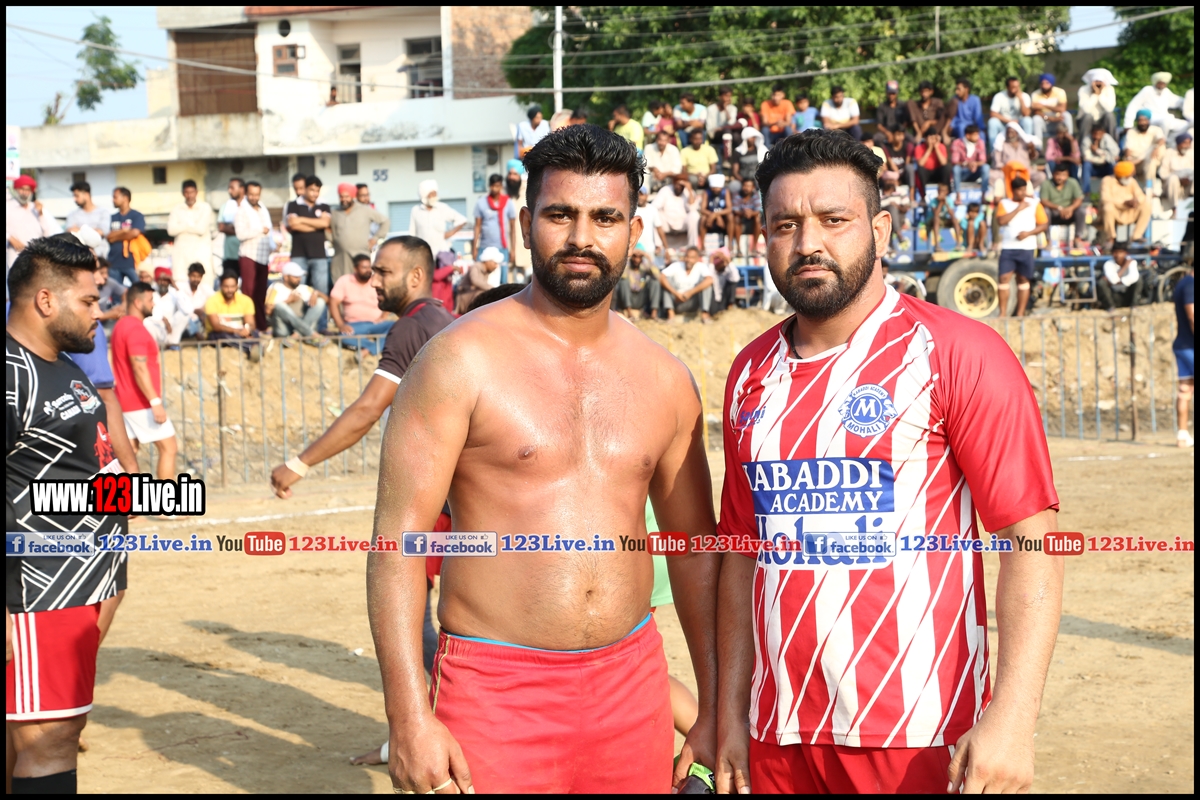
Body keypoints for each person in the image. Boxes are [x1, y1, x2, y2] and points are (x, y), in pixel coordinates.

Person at [368, 124, 719, 794]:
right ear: (526, 224)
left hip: (633, 686)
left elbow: (696, 552)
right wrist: (407, 715)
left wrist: (713, 705)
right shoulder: (458, 361)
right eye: (561, 215)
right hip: (496, 691)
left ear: (634, 231)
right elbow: (399, 545)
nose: (582, 237)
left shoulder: (666, 379)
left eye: (605, 218)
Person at [712, 128, 1063, 796]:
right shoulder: (750, 371)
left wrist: (1014, 718)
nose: (808, 243)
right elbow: (740, 555)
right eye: (785, 225)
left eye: (833, 220)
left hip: (917, 733)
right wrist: (731, 711)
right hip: (777, 733)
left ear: (880, 228)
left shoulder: (958, 352)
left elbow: (1031, 540)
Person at [6, 237, 128, 795]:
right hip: (37, 592)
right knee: (48, 743)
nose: (99, 311)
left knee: (37, 739)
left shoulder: (64, 364)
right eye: (88, 300)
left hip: (79, 587)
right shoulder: (13, 376)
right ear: (46, 301)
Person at [111, 281, 178, 480]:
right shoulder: (135, 329)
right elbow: (139, 368)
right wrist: (155, 402)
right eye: (150, 300)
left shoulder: (120, 326)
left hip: (123, 401)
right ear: (138, 303)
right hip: (140, 402)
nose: (153, 304)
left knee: (129, 453)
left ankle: (125, 499)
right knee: (169, 448)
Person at [995, 176, 1049, 317]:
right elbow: (1001, 221)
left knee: (1024, 279)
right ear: (1013, 190)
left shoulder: (1034, 204)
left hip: (1027, 247)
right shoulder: (1004, 203)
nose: (1023, 193)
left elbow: (1044, 224)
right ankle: (1002, 314)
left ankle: (1020, 314)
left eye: (1024, 189)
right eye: (1020, 190)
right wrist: (1018, 209)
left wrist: (1028, 233)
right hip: (1008, 247)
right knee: (1004, 278)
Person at [331, 253, 393, 354]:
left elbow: (389, 298)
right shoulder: (344, 281)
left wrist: (384, 316)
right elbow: (333, 303)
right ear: (355, 268)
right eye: (364, 267)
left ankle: (368, 349)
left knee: (396, 327)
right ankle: (376, 347)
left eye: (370, 267)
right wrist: (340, 325)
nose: (368, 270)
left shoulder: (376, 280)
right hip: (354, 325)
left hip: (376, 324)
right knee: (344, 336)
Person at [233, 180, 273, 332]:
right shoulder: (241, 210)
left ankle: (261, 326)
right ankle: (249, 326)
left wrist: (273, 245)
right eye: (251, 194)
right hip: (248, 255)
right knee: (249, 292)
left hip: (263, 257)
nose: (254, 197)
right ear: (246, 193)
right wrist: (260, 230)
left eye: (257, 194)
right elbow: (240, 234)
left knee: (261, 293)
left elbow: (269, 232)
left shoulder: (263, 208)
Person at [285, 175, 333, 301]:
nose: (315, 194)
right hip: (299, 254)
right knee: (298, 290)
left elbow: (325, 223)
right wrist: (317, 225)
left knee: (321, 292)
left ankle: (321, 314)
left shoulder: (324, 205)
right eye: (312, 190)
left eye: (317, 190)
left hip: (319, 255)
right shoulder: (293, 205)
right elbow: (293, 224)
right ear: (305, 189)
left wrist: (301, 220)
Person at [331, 183, 389, 283]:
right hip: (341, 259)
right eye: (341, 196)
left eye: (347, 196)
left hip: (361, 256)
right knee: (341, 285)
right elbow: (329, 230)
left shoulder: (365, 210)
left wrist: (375, 239)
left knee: (362, 284)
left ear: (353, 196)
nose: (344, 199)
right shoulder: (335, 213)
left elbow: (385, 221)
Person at [166, 179, 214, 288]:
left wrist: (182, 226)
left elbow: (201, 229)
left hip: (200, 253)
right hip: (181, 256)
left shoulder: (205, 207)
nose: (189, 195)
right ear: (183, 193)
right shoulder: (177, 209)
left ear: (196, 192)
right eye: (187, 192)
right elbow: (171, 230)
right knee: (181, 286)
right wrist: (191, 225)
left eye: (192, 192)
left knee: (204, 285)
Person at [6, 175, 58, 274]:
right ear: (16, 189)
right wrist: (10, 238)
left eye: (28, 190)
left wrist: (41, 214)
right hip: (14, 255)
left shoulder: (36, 208)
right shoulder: (8, 206)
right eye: (22, 189)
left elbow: (49, 232)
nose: (25, 193)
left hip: (35, 256)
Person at [267, 260, 328, 341]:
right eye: (296, 277)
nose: (299, 279)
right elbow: (268, 311)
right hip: (284, 329)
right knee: (279, 305)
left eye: (300, 276)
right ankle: (309, 334)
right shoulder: (275, 287)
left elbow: (328, 301)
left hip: (303, 323)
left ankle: (297, 334)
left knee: (320, 302)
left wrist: (317, 293)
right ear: (286, 277)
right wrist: (288, 301)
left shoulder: (304, 288)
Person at [204, 272, 260, 357]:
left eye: (232, 286)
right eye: (226, 286)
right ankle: (251, 348)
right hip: (220, 333)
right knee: (224, 337)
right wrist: (237, 331)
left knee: (255, 333)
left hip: (240, 331)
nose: (229, 290)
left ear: (237, 286)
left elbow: (251, 323)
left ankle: (253, 347)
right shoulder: (212, 300)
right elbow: (216, 326)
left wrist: (247, 329)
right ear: (220, 285)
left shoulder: (246, 300)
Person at [409, 179, 467, 259]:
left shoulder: (442, 208)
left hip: (441, 255)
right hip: (423, 255)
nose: (434, 197)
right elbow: (412, 234)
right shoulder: (416, 210)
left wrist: (450, 233)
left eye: (435, 194)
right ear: (424, 195)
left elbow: (462, 220)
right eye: (431, 194)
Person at [472, 173, 518, 274]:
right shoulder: (481, 202)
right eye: (492, 186)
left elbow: (513, 229)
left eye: (497, 186)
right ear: (489, 186)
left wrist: (513, 250)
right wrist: (474, 248)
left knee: (502, 279)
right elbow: (477, 227)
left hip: (502, 248)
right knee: (482, 277)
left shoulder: (508, 202)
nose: (494, 189)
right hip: (484, 247)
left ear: (501, 186)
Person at [1100, 162, 1152, 248]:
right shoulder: (1107, 180)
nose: (1130, 178)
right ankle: (1110, 238)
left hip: (1130, 213)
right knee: (1108, 207)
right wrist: (1124, 203)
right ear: (1121, 176)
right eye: (1128, 176)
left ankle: (1136, 236)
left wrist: (1136, 201)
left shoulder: (1132, 182)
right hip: (1115, 213)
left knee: (1146, 205)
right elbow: (1105, 199)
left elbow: (1141, 196)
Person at [1124, 72, 1187, 139]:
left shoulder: (1166, 92)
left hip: (1166, 118)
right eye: (1160, 83)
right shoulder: (1147, 90)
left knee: (1186, 125)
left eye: (1164, 83)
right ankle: (1162, 141)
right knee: (1165, 121)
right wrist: (1128, 124)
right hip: (1151, 119)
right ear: (1156, 82)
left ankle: (1169, 141)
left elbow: (1179, 102)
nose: (1162, 85)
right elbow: (1133, 106)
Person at [660, 245, 714, 322]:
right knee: (666, 280)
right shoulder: (677, 265)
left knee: (706, 283)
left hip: (693, 302)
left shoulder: (701, 266)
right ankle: (670, 315)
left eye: (692, 257)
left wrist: (690, 292)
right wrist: (676, 294)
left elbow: (710, 280)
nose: (688, 260)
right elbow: (661, 277)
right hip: (676, 301)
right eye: (687, 256)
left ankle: (704, 314)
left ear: (697, 259)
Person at [105, 187, 146, 288]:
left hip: (132, 262)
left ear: (125, 198)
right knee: (116, 293)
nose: (113, 200)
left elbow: (135, 233)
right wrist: (123, 231)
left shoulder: (136, 215)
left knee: (138, 290)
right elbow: (108, 237)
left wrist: (115, 236)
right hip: (114, 262)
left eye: (115, 197)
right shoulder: (112, 217)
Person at [1040, 163, 1088, 248]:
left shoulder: (1073, 182)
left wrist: (1070, 208)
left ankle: (1077, 239)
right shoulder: (1046, 184)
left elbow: (1079, 199)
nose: (1060, 177)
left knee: (1081, 210)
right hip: (1054, 212)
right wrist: (1059, 208)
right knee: (1045, 211)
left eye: (1063, 175)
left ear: (1067, 175)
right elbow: (1044, 201)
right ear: (1053, 174)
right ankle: (1048, 241)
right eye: (1058, 174)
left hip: (1070, 212)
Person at [144, 266, 192, 347]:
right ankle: (154, 346)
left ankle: (173, 344)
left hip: (171, 329)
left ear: (169, 281)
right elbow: (148, 312)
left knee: (184, 315)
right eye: (160, 279)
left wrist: (175, 285)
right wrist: (163, 320)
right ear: (156, 280)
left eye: (165, 280)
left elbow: (188, 310)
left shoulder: (174, 293)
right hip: (157, 327)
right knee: (146, 322)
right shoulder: (151, 292)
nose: (162, 282)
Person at [1173, 265, 1194, 448]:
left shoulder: (1182, 283)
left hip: (1182, 344)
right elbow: (1192, 316)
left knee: (1185, 390)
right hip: (1190, 346)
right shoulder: (1190, 285)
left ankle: (1182, 435)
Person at [611, 245, 661, 319]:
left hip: (640, 298)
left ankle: (654, 314)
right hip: (628, 297)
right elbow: (623, 276)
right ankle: (629, 313)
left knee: (655, 282)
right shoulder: (627, 264)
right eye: (634, 256)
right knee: (624, 281)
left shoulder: (645, 265)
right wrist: (628, 255)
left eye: (639, 257)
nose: (637, 260)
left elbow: (657, 276)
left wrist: (648, 257)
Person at [1096, 241, 1147, 310]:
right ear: (1112, 253)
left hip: (1128, 294)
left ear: (1125, 253)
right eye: (1115, 252)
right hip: (1114, 296)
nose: (1118, 255)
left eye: (1121, 252)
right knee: (1102, 282)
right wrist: (1124, 267)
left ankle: (1134, 306)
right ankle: (1111, 307)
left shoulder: (1132, 262)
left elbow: (1134, 277)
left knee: (1139, 279)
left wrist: (1116, 282)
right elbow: (1113, 280)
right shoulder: (1108, 264)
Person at [654, 175, 701, 249]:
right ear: (673, 183)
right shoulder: (665, 190)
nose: (679, 187)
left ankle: (692, 246)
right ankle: (658, 246)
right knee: (655, 215)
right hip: (667, 223)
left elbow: (692, 208)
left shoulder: (688, 191)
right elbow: (654, 207)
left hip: (682, 223)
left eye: (681, 185)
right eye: (677, 184)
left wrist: (689, 190)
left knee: (694, 215)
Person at [1123, 109, 1167, 185]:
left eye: (1145, 120)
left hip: (1152, 159)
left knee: (1156, 154)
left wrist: (1156, 147)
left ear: (1149, 121)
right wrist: (1129, 161)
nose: (1143, 123)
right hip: (1135, 163)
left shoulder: (1156, 130)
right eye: (1140, 120)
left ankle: (1149, 187)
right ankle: (1149, 187)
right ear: (1137, 121)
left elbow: (1162, 139)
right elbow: (1128, 148)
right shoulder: (1131, 132)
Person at [454, 246, 502, 314]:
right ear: (488, 261)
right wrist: (493, 289)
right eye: (495, 263)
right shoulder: (475, 267)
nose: (496, 266)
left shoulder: (486, 272)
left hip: (471, 297)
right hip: (464, 297)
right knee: (482, 293)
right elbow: (475, 281)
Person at [988, 75, 1033, 147]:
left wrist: (1021, 99)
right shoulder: (999, 96)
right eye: (1014, 87)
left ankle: (1027, 148)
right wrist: (1009, 121)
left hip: (1019, 126)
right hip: (1004, 125)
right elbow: (993, 113)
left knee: (1028, 120)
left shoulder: (1025, 96)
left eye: (1018, 87)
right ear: (1007, 87)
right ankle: (993, 150)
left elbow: (1026, 114)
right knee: (992, 122)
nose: (1017, 89)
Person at [950, 124, 991, 202]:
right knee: (956, 169)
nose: (977, 137)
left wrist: (975, 164)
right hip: (962, 172)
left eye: (978, 134)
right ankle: (958, 196)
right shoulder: (957, 143)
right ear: (968, 135)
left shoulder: (980, 142)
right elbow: (954, 161)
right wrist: (966, 164)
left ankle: (983, 196)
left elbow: (983, 160)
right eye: (975, 135)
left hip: (975, 172)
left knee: (986, 167)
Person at [1077, 68, 1119, 140]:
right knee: (1088, 116)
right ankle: (1083, 144)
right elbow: (1086, 110)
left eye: (1100, 82)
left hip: (1103, 121)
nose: (1098, 84)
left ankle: (1113, 143)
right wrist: (1095, 94)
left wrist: (1100, 94)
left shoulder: (1109, 89)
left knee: (1110, 116)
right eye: (1096, 81)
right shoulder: (1083, 89)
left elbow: (1109, 109)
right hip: (1086, 120)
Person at [1159, 132, 1194, 215]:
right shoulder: (1169, 153)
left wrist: (1188, 179)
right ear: (1178, 143)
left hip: (1188, 186)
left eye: (1189, 143)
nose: (1187, 145)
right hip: (1172, 187)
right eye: (1184, 143)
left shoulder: (1191, 153)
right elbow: (1163, 173)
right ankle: (1174, 209)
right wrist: (1179, 179)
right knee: (1173, 179)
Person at [217, 177, 246, 275]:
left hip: (247, 254)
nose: (229, 191)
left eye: (232, 188)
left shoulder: (249, 206)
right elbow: (221, 227)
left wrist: (232, 227)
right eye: (229, 188)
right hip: (230, 255)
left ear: (242, 189)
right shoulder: (225, 206)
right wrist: (241, 231)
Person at [1030, 73, 1071, 139]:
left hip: (1058, 120)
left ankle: (1069, 139)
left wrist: (1044, 105)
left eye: (1047, 83)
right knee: (1036, 119)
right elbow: (1036, 111)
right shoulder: (1035, 94)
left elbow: (1062, 109)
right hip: (1044, 120)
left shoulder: (1060, 92)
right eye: (1042, 83)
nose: (1044, 85)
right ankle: (1038, 144)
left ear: (1051, 83)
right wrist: (1050, 118)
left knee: (1067, 115)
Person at [1082, 125, 1120, 195]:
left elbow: (1115, 154)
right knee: (1086, 164)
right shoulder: (1087, 140)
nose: (1097, 136)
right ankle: (1086, 191)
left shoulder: (1107, 138)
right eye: (1095, 134)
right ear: (1091, 133)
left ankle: (1114, 190)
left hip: (1106, 167)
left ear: (1103, 133)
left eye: (1099, 134)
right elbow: (1086, 157)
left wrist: (1097, 150)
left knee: (1114, 164)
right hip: (1093, 168)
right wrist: (1105, 156)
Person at [179, 261, 213, 339]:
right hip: (185, 323)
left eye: (199, 276)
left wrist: (203, 309)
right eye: (193, 276)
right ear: (188, 275)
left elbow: (215, 300)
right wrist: (194, 311)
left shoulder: (205, 288)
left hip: (200, 321)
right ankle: (198, 336)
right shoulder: (181, 287)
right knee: (183, 316)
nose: (196, 279)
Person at [731, 177, 762, 256]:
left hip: (751, 219)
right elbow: (735, 210)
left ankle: (754, 248)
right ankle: (738, 249)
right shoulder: (736, 194)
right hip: (740, 218)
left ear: (753, 187)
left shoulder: (755, 195)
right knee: (736, 218)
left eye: (749, 186)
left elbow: (757, 210)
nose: (746, 188)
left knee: (757, 219)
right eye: (744, 185)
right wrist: (744, 213)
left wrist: (750, 213)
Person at [912, 131, 949, 198]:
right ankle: (923, 195)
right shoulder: (919, 147)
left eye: (934, 138)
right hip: (926, 173)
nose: (933, 141)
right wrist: (929, 148)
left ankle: (945, 193)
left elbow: (944, 163)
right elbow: (920, 164)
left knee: (947, 168)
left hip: (937, 173)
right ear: (925, 138)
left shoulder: (941, 146)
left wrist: (936, 148)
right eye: (931, 138)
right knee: (920, 170)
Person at [873, 80, 909, 147]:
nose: (891, 95)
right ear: (886, 93)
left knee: (913, 141)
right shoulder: (882, 106)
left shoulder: (902, 105)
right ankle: (885, 152)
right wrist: (888, 133)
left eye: (893, 93)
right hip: (886, 131)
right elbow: (879, 125)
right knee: (876, 139)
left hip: (900, 131)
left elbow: (905, 122)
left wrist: (899, 133)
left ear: (897, 93)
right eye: (889, 93)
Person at [700, 173, 732, 247]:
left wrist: (716, 215)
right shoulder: (706, 192)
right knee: (703, 218)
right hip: (709, 218)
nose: (716, 190)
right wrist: (714, 216)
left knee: (730, 216)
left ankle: (730, 244)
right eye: (714, 188)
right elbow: (702, 209)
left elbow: (729, 209)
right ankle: (702, 246)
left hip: (723, 218)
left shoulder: (725, 191)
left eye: (718, 188)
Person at [94, 257, 126, 330]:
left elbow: (125, 292)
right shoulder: (88, 288)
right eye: (101, 273)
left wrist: (123, 306)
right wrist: (110, 314)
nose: (105, 276)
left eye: (107, 273)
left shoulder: (109, 282)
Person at [634, 185, 664, 259]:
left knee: (650, 266)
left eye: (642, 195)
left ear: (647, 196)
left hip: (649, 249)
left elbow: (659, 228)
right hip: (634, 250)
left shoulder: (652, 210)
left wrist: (664, 247)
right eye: (638, 195)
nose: (640, 197)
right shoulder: (632, 210)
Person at [708, 246, 739, 315]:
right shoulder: (711, 271)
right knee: (707, 282)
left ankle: (730, 307)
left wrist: (728, 259)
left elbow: (736, 278)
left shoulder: (727, 271)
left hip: (724, 300)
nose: (725, 264)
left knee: (733, 283)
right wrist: (712, 259)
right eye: (722, 262)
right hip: (713, 301)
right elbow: (709, 277)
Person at [927, 183, 958, 251]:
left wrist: (946, 203)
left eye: (943, 191)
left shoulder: (949, 200)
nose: (942, 193)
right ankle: (937, 246)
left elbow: (952, 214)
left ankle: (958, 244)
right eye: (940, 191)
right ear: (938, 191)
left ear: (947, 192)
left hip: (944, 220)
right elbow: (936, 214)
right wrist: (941, 203)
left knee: (954, 219)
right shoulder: (933, 201)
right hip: (933, 221)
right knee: (936, 219)